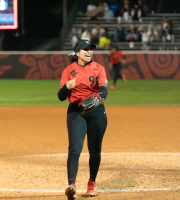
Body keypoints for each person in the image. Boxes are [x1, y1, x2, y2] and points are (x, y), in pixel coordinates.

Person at [58, 40, 108, 199]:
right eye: (85, 49)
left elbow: (104, 90)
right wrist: (67, 87)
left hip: (96, 111)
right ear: (77, 53)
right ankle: (71, 185)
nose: (89, 52)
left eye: (91, 49)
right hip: (76, 111)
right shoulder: (68, 70)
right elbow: (60, 97)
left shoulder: (99, 68)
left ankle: (92, 182)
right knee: (74, 148)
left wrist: (98, 98)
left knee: (95, 151)